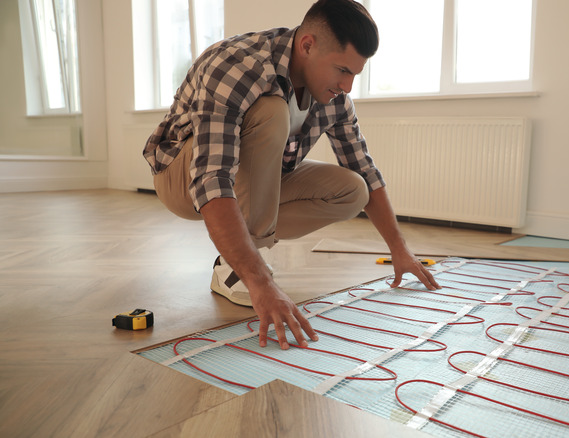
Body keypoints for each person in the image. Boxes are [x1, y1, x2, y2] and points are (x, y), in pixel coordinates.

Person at [142, 0, 440, 351]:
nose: (347, 86)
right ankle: (240, 270)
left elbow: (365, 169)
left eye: (355, 75)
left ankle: (237, 259)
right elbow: (212, 176)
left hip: (250, 184)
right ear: (307, 45)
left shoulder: (335, 99)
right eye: (342, 70)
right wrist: (261, 283)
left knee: (353, 190)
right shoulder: (237, 66)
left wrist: (399, 249)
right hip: (182, 176)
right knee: (271, 110)